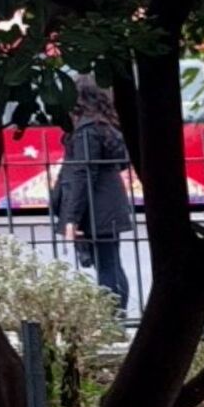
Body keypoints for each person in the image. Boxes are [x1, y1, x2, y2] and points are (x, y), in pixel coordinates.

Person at [59, 83, 134, 305]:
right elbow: (120, 163)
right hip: (109, 202)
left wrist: (72, 218)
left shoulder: (87, 131)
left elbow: (84, 172)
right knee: (111, 263)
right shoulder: (107, 127)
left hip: (96, 206)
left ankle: (113, 317)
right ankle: (117, 316)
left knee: (107, 267)